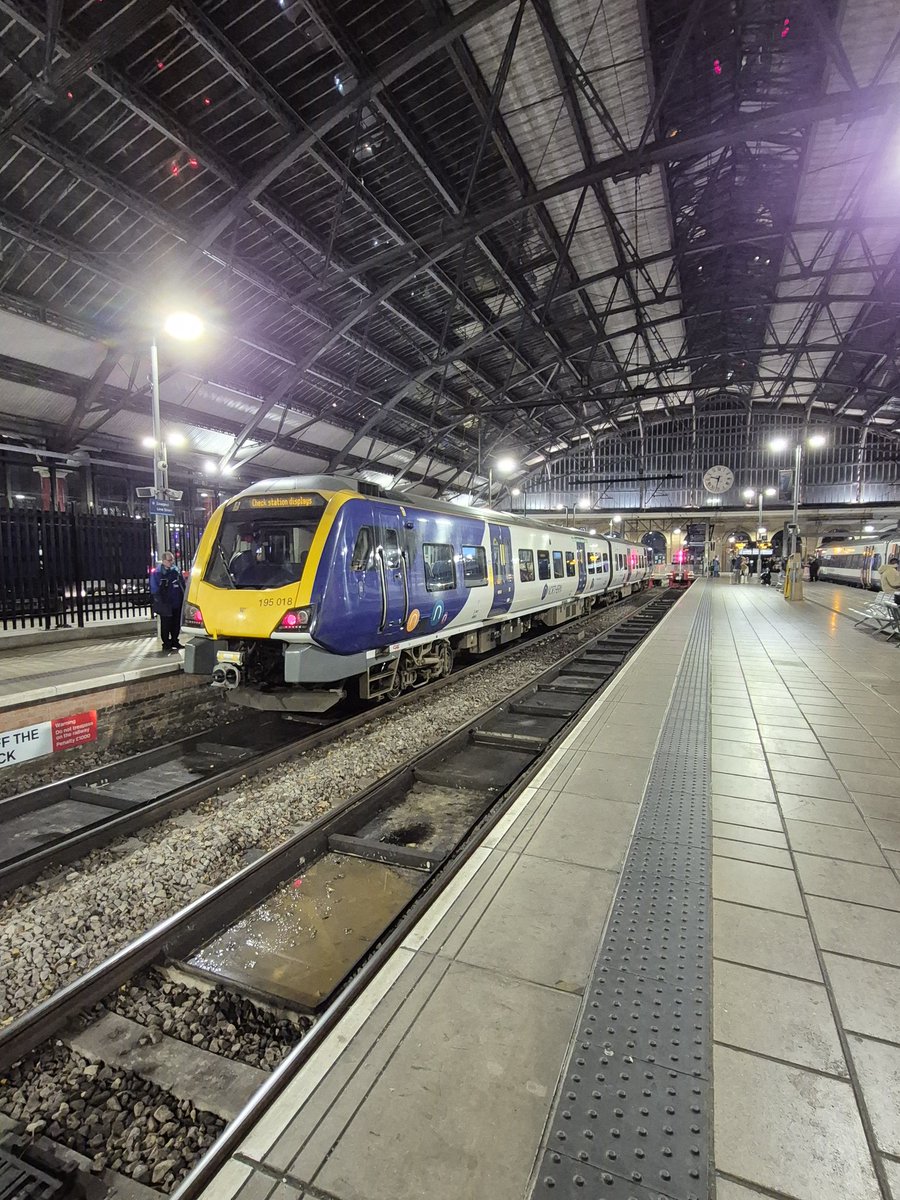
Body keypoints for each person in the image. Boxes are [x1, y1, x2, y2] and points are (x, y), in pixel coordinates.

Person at [150, 551, 186, 653]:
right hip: (165, 603)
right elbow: (154, 588)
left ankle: (175, 640)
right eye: (169, 560)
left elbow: (182, 584)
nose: (172, 562)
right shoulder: (157, 573)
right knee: (166, 624)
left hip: (176, 601)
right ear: (164, 561)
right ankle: (166, 643)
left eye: (172, 560)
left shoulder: (176, 571)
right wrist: (160, 600)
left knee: (176, 623)